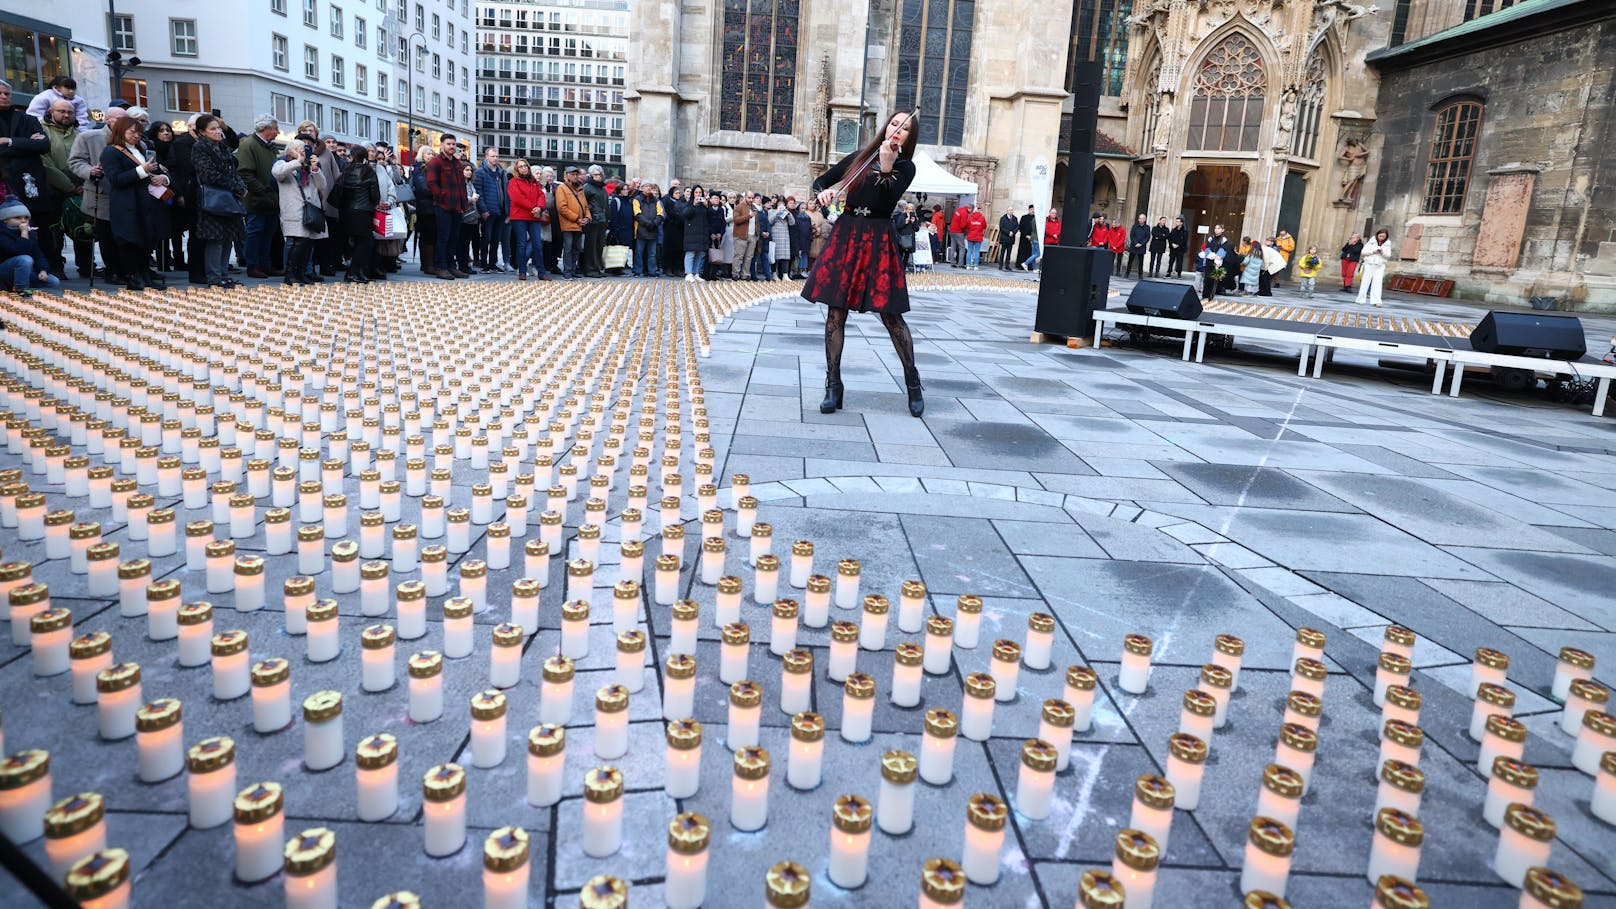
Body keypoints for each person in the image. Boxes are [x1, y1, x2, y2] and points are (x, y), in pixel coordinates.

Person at [802, 110, 924, 418]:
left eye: (905, 128)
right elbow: (821, 180)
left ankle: (912, 382)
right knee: (835, 313)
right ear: (886, 127)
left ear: (909, 137)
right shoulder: (859, 158)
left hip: (878, 238)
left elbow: (886, 198)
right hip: (848, 234)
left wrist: (885, 166)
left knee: (891, 316)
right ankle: (833, 385)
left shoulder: (905, 167)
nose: (898, 130)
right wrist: (825, 193)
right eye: (895, 124)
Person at [100, 115, 171, 290]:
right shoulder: (111, 151)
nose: (136, 136)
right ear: (120, 131)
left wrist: (163, 178)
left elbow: (158, 169)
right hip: (127, 204)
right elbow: (115, 179)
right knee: (129, 241)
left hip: (146, 201)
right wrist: (141, 170)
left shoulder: (143, 149)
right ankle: (132, 276)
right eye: (132, 132)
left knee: (146, 239)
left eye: (139, 133)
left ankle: (145, 274)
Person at [189, 114, 246, 289]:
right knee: (215, 238)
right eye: (213, 129)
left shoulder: (221, 146)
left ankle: (223, 275)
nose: (217, 131)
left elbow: (233, 169)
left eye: (218, 128)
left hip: (229, 197)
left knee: (228, 236)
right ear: (202, 132)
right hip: (214, 198)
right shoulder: (200, 147)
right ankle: (214, 277)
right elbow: (209, 174)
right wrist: (236, 187)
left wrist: (241, 185)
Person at [67, 106, 123, 280]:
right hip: (100, 193)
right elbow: (75, 161)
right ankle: (112, 269)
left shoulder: (136, 140)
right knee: (107, 235)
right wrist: (91, 171)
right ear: (108, 119)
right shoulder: (89, 137)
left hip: (125, 194)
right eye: (120, 119)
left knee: (124, 234)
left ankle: (128, 269)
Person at [271, 138, 327, 286]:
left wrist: (315, 168)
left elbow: (322, 185)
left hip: (310, 210)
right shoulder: (283, 163)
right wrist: (298, 161)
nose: (303, 152)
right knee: (297, 243)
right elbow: (278, 173)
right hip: (294, 210)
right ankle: (290, 275)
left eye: (305, 149)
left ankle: (301, 273)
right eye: (299, 149)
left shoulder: (308, 166)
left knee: (307, 244)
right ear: (291, 151)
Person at [235, 115, 281, 278]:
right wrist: (263, 191)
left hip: (270, 199)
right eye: (275, 128)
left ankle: (265, 265)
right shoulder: (249, 145)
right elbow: (245, 173)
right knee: (255, 233)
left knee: (268, 233)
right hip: (256, 199)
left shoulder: (269, 147)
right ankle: (253, 265)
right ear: (266, 129)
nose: (278, 132)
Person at [38, 99, 79, 278]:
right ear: (51, 112)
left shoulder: (77, 133)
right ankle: (55, 264)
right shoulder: (41, 131)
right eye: (61, 111)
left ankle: (86, 264)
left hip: (78, 188)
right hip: (52, 189)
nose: (66, 115)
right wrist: (69, 187)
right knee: (54, 231)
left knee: (80, 225)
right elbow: (45, 164)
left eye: (69, 112)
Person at [333, 144, 381, 283]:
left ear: (352, 157)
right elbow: (375, 195)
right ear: (365, 157)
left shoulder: (346, 171)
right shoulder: (368, 171)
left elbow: (339, 192)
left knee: (355, 242)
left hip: (347, 211)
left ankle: (357, 272)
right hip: (363, 211)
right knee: (365, 242)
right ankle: (353, 272)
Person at [424, 135, 470, 280]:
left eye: (453, 144)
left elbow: (462, 185)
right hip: (443, 206)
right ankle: (441, 267)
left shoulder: (457, 163)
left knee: (453, 238)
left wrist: (464, 204)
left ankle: (451, 266)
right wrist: (441, 196)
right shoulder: (436, 162)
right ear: (442, 144)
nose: (451, 146)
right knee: (443, 238)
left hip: (457, 207)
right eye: (448, 144)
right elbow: (431, 183)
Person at [0, 195, 58, 295]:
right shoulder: (2, 233)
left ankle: (15, 285)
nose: (23, 221)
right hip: (4, 270)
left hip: (22, 270)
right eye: (17, 218)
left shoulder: (29, 232)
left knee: (53, 281)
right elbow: (19, 251)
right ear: (5, 219)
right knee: (25, 259)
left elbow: (38, 254)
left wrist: (43, 270)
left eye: (26, 218)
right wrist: (24, 234)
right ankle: (21, 289)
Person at [507, 157, 549, 280]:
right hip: (520, 216)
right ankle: (522, 271)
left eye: (525, 166)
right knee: (521, 244)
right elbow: (517, 198)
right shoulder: (513, 181)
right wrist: (534, 208)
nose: (524, 168)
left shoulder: (534, 182)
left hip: (534, 216)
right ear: (517, 169)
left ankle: (541, 272)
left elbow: (541, 195)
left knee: (537, 244)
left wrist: (540, 207)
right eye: (521, 166)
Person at [473, 148, 508, 272]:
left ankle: (493, 263)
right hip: (488, 210)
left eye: (497, 156)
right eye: (493, 156)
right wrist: (483, 210)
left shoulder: (501, 172)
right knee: (486, 238)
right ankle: (484, 263)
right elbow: (479, 192)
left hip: (500, 211)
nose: (496, 159)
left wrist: (506, 210)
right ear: (486, 157)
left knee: (495, 239)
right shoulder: (480, 172)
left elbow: (505, 191)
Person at [555, 164, 589, 279]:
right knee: (568, 248)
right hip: (568, 224)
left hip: (579, 224)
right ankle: (567, 271)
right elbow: (562, 208)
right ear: (567, 175)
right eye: (572, 174)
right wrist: (577, 218)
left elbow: (586, 207)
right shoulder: (562, 188)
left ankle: (573, 269)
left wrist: (587, 218)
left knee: (577, 248)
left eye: (576, 174)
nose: (575, 177)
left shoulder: (580, 189)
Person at [24, 76, 91, 130]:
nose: (71, 91)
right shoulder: (45, 96)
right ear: (57, 87)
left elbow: (81, 119)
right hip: (48, 130)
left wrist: (81, 132)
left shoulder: (79, 101)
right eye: (67, 88)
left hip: (71, 131)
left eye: (73, 89)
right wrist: (43, 128)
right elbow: (34, 114)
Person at [409, 145, 436, 275]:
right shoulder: (419, 169)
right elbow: (423, 187)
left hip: (434, 206)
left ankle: (430, 263)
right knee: (427, 235)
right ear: (422, 155)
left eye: (432, 153)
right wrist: (439, 191)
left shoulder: (435, 168)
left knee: (432, 235)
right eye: (428, 154)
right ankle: (427, 264)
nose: (431, 156)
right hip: (425, 207)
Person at [676, 185, 707, 282]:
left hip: (702, 232)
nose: (698, 195)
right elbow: (685, 214)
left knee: (699, 253)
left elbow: (710, 216)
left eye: (700, 193)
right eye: (696, 193)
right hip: (691, 232)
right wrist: (693, 205)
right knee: (690, 253)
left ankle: (696, 273)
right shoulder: (689, 203)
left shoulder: (704, 205)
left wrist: (707, 206)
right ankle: (688, 273)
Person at [582, 165, 609, 277]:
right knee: (591, 246)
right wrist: (591, 213)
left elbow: (605, 204)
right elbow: (584, 204)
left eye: (599, 174)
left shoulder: (602, 188)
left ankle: (597, 268)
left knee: (599, 246)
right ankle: (590, 269)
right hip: (592, 220)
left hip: (602, 220)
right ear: (591, 176)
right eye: (595, 175)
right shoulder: (587, 187)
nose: (598, 177)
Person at [1356, 228, 1392, 307]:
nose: (1381, 238)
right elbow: (1363, 252)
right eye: (1380, 236)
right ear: (1377, 235)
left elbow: (1388, 255)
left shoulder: (1387, 244)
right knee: (1365, 281)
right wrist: (1373, 251)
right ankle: (1360, 299)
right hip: (1369, 263)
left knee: (1378, 283)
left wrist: (1382, 252)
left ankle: (1376, 301)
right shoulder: (1371, 242)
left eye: (1383, 237)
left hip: (1380, 265)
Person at [633, 184, 664, 277]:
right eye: (646, 186)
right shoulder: (637, 199)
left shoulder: (656, 200)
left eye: (650, 186)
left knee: (652, 253)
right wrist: (648, 223)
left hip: (653, 230)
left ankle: (652, 271)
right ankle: (637, 271)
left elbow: (660, 214)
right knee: (639, 252)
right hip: (641, 230)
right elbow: (637, 214)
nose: (648, 188)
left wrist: (654, 223)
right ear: (642, 188)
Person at [1198, 224, 1231, 302]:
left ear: (1222, 230)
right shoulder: (1210, 238)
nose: (1216, 230)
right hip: (1209, 261)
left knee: (1213, 280)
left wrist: (1217, 256)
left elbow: (1223, 250)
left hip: (1217, 263)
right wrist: (1210, 254)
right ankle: (1204, 295)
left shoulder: (1224, 240)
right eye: (1215, 228)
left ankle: (1210, 297)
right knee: (1206, 279)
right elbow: (1207, 248)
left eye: (1218, 228)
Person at [891, 201, 920, 274]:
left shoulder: (914, 217)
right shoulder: (902, 216)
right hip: (903, 237)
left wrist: (913, 222)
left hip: (910, 237)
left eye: (912, 209)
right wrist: (905, 222)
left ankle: (903, 268)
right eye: (909, 209)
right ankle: (899, 268)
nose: (910, 211)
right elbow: (898, 226)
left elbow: (917, 229)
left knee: (907, 254)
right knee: (900, 253)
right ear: (906, 209)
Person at [770, 196, 794, 279]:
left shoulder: (786, 212)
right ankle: (774, 274)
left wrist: (789, 214)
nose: (781, 205)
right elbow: (770, 221)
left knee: (785, 256)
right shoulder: (772, 211)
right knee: (775, 256)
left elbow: (792, 223)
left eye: (783, 204)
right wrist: (776, 212)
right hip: (775, 235)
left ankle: (785, 275)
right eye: (779, 203)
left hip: (785, 235)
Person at [1125, 214, 1149, 278]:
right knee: (1130, 260)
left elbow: (1147, 237)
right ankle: (1127, 273)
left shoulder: (1147, 227)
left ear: (1145, 220)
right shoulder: (1134, 226)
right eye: (1140, 218)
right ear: (1138, 219)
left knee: (1141, 262)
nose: (1141, 220)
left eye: (1143, 218)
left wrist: (1141, 243)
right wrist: (1135, 243)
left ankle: (1140, 275)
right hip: (1134, 246)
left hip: (1141, 246)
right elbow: (1131, 235)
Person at [964, 203, 987, 270]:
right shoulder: (982, 218)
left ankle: (968, 265)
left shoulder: (970, 217)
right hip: (978, 236)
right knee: (977, 251)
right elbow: (985, 226)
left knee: (969, 250)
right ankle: (976, 266)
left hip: (971, 235)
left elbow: (967, 226)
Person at [1016, 205, 1036, 270]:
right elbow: (1020, 227)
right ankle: (1020, 265)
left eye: (1033, 209)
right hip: (1024, 238)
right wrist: (1026, 235)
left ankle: (1029, 266)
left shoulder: (1036, 218)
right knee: (1022, 252)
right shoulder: (1024, 217)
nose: (1032, 210)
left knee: (1030, 252)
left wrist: (1031, 236)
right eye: (1031, 209)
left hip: (1032, 238)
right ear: (1029, 210)